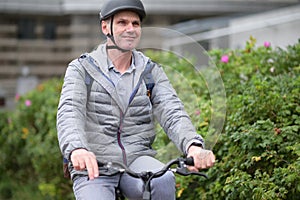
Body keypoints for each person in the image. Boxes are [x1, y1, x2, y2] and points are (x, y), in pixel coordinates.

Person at [56, 0, 215, 199]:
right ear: (106, 27)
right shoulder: (82, 69)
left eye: (135, 23)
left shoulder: (150, 71)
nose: (130, 29)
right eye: (122, 23)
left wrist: (193, 146)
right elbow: (70, 111)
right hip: (95, 164)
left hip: (137, 158)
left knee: (163, 180)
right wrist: (77, 148)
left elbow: (172, 110)